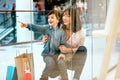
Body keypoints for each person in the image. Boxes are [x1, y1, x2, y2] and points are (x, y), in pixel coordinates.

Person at [18, 10, 68, 80]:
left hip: (57, 54)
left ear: (58, 20)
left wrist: (62, 53)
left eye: (52, 17)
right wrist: (26, 25)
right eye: (49, 18)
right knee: (50, 62)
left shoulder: (61, 31)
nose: (50, 19)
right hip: (47, 54)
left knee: (61, 63)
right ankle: (43, 78)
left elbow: (64, 44)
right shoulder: (46, 28)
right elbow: (36, 27)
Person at [42, 5, 87, 80]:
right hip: (59, 58)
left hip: (73, 60)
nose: (64, 18)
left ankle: (76, 77)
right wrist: (45, 40)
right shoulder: (59, 28)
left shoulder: (81, 32)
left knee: (83, 49)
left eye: (68, 16)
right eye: (64, 15)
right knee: (52, 73)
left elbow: (80, 49)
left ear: (74, 18)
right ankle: (62, 75)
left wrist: (68, 50)